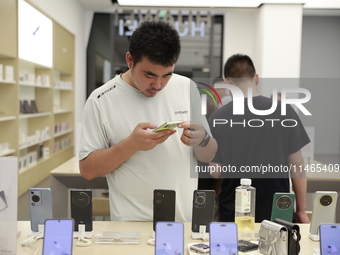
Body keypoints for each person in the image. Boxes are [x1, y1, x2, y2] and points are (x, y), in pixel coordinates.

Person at [79, 21, 217, 221]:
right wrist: (131, 144)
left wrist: (202, 139)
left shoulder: (187, 87)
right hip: (131, 227)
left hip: (184, 223)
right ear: (129, 60)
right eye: (149, 75)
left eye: (167, 75)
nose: (158, 84)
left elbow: (209, 153)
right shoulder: (101, 99)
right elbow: (88, 170)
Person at [209, 54, 310, 223]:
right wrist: (301, 211)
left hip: (234, 211)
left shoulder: (218, 118)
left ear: (228, 82)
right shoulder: (285, 111)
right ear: (256, 78)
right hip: (278, 210)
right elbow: (297, 164)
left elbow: (215, 171)